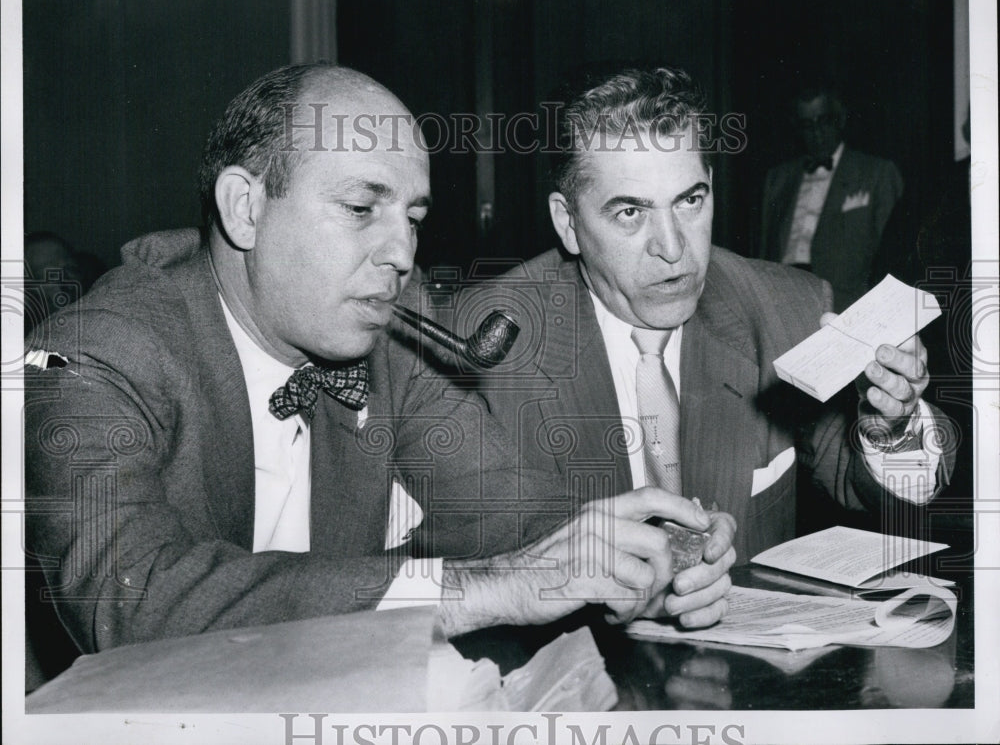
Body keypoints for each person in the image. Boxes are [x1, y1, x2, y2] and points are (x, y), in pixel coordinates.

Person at [24, 64, 735, 684]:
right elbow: (131, 601)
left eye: (413, 216)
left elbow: (499, 506)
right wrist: (485, 589)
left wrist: (646, 549)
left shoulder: (390, 324)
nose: (401, 252)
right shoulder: (93, 352)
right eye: (363, 209)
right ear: (246, 208)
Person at [457, 66, 953, 564]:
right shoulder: (480, 350)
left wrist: (891, 427)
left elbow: (868, 484)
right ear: (567, 223)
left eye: (690, 201)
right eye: (631, 213)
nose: (673, 249)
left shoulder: (789, 310)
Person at [759, 86, 903, 311]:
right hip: (783, 303)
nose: (816, 132)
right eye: (807, 125)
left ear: (840, 119)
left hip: (846, 305)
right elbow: (765, 253)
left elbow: (895, 258)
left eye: (823, 121)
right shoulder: (778, 178)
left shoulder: (876, 173)